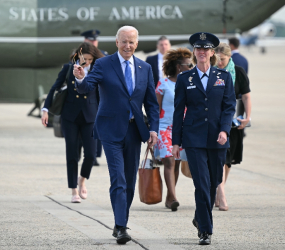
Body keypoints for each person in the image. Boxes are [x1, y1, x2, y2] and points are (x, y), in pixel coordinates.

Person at [73, 26, 159, 245]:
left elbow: (150, 102)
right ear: (116, 42)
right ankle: (121, 226)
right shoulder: (103, 64)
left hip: (134, 130)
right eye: (124, 41)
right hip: (110, 130)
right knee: (118, 179)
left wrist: (153, 129)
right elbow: (87, 88)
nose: (127, 45)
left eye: (131, 42)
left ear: (136, 43)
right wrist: (81, 78)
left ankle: (121, 220)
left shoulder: (145, 67)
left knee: (130, 181)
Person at [172, 32, 236, 245]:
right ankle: (205, 231)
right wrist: (176, 142)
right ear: (194, 53)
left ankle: (200, 217)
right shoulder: (184, 78)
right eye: (198, 49)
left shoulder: (223, 77)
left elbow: (229, 107)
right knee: (201, 183)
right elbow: (178, 110)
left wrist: (225, 130)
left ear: (212, 53)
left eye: (206, 49)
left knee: (214, 181)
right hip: (193, 138)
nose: (202, 52)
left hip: (218, 137)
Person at [41, 42, 104, 203]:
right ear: (79, 55)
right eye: (86, 58)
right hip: (70, 117)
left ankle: (82, 179)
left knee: (91, 154)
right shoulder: (68, 68)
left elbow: (102, 94)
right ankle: (74, 190)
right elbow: (55, 88)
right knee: (72, 154)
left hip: (90, 116)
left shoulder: (97, 69)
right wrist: (45, 109)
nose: (88, 62)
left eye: (91, 59)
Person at [214, 43, 252, 211]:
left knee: (228, 161)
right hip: (216, 120)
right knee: (219, 158)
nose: (219, 62)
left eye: (222, 59)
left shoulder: (238, 72)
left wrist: (248, 117)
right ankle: (221, 194)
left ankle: (217, 190)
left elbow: (246, 97)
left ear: (229, 57)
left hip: (235, 121)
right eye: (217, 59)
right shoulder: (211, 72)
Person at [155, 48, 193, 211]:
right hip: (164, 128)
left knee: (176, 163)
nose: (192, 67)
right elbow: (156, 108)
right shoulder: (163, 84)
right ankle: (173, 197)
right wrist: (153, 131)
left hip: (182, 129)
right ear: (179, 67)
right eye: (189, 65)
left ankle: (170, 198)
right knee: (169, 161)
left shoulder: (190, 83)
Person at [81, 29, 108, 165]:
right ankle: (87, 152)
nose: (93, 42)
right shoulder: (79, 55)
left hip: (99, 96)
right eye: (90, 40)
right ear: (85, 41)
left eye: (94, 40)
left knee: (98, 125)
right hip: (83, 95)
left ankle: (95, 155)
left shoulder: (103, 55)